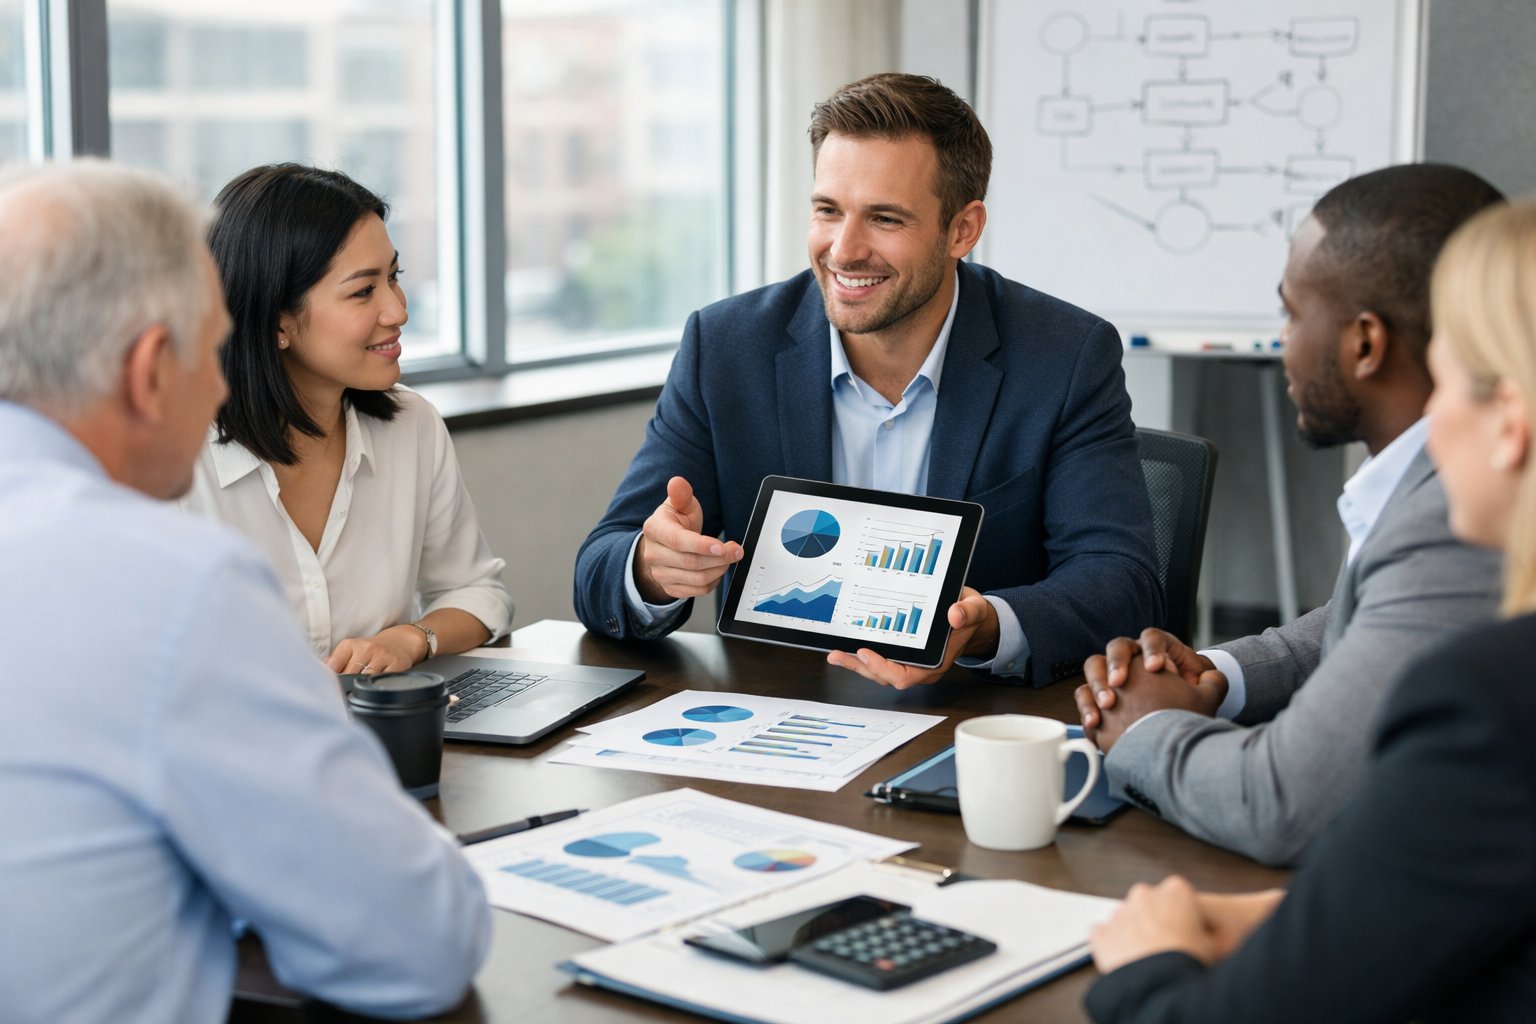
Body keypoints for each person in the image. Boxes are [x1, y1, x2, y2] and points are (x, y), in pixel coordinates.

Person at [0, 161, 488, 1021]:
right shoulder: (173, 585)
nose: (223, 384)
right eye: (211, 349)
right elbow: (422, 943)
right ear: (154, 368)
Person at [1084, 195, 1536, 1024]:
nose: (1435, 414)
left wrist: (1147, 965)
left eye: (1458, 377)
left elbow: (1286, 802)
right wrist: (1219, 676)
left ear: (1511, 421)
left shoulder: (1491, 698)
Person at [574, 73, 1161, 689]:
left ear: (962, 229)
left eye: (884, 218)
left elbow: (1123, 583)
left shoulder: (1064, 356)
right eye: (828, 210)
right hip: (777, 720)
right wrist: (648, 567)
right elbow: (599, 565)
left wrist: (985, 625)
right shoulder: (726, 347)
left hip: (967, 719)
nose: (844, 250)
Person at [180, 163, 513, 676]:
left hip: (382, 742)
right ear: (276, 321)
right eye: (363, 291)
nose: (397, 310)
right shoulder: (174, 461)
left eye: (394, 277)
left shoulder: (411, 426)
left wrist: (410, 639)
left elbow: (478, 592)